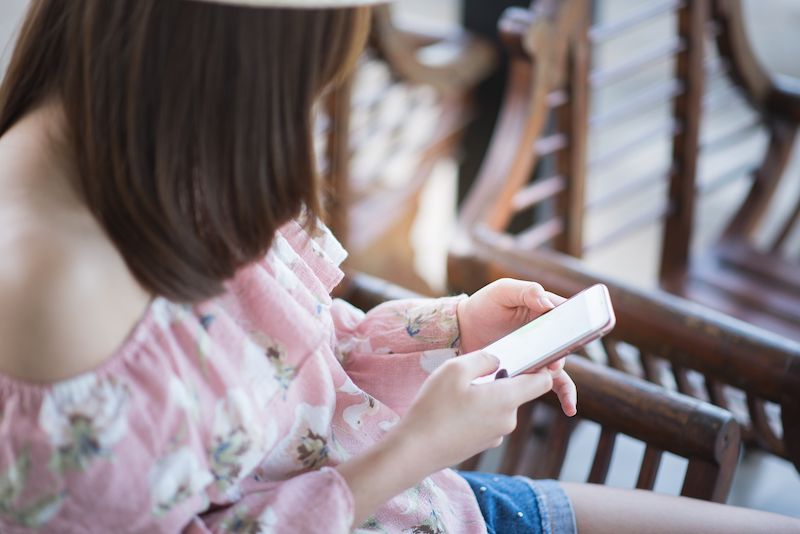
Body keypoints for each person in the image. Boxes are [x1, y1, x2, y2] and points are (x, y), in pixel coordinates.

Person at [0, 0, 797, 533]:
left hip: (429, 503)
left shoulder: (153, 159)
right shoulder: (57, 293)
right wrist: (411, 452)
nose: (314, 99)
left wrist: (446, 324)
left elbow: (280, 357)